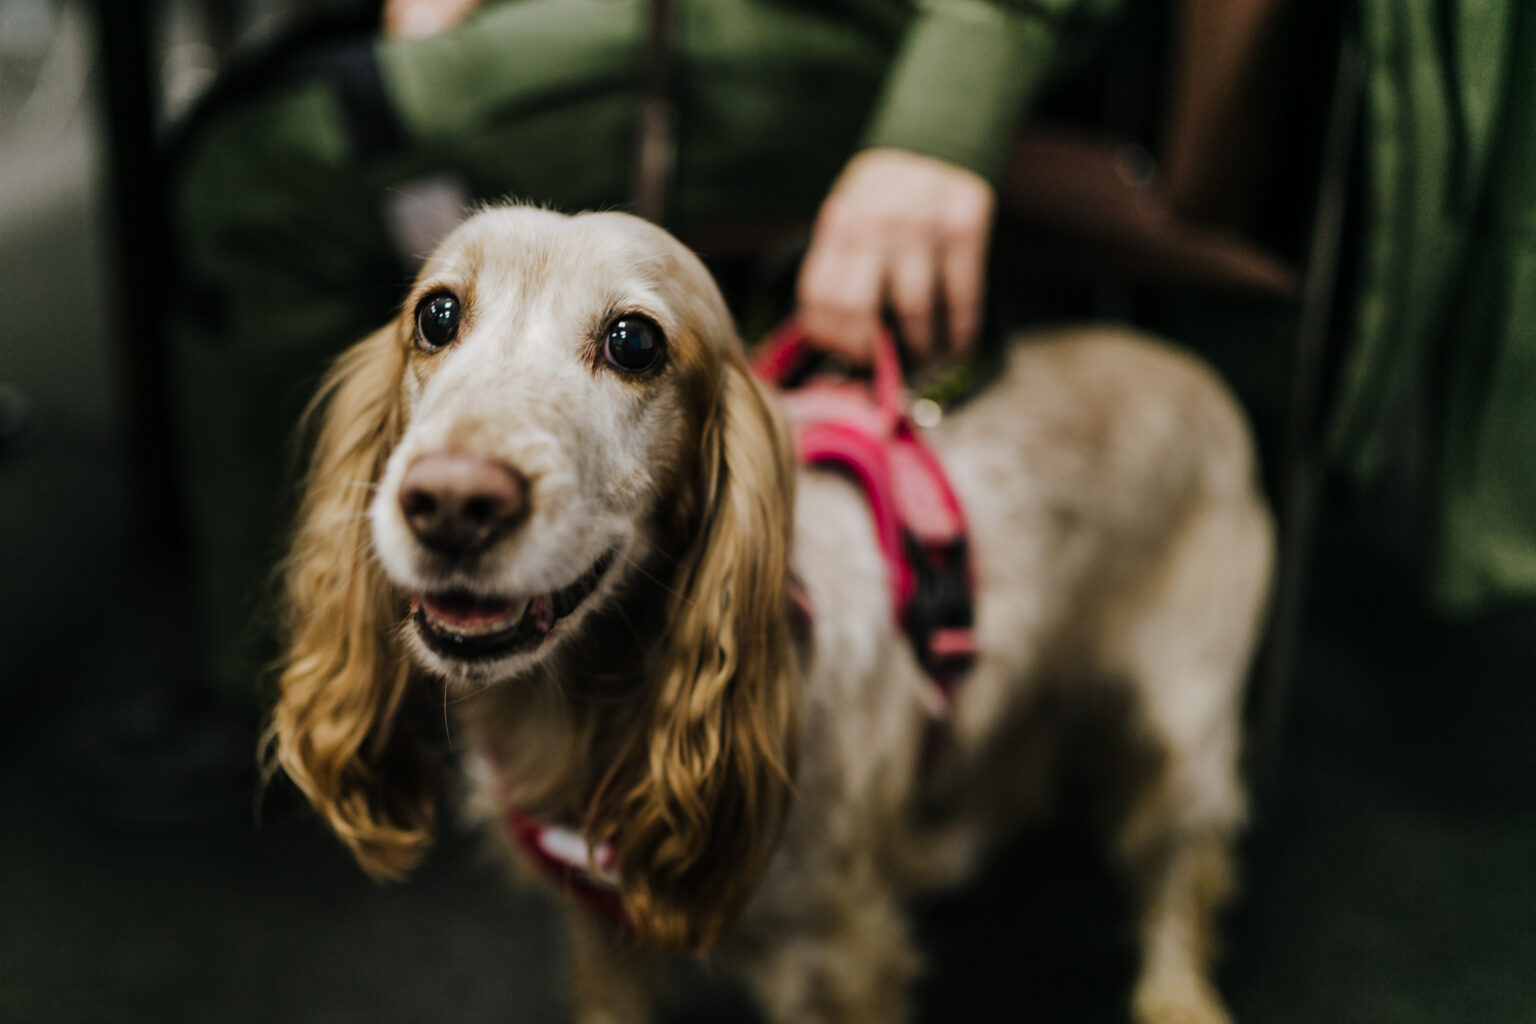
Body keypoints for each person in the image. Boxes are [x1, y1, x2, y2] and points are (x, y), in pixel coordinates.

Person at [168, 0, 1124, 702]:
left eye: (627, 347)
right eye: (439, 323)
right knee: (264, 81)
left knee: (264, 158)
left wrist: (939, 126)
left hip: (893, 27)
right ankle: (329, 673)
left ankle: (265, 685)